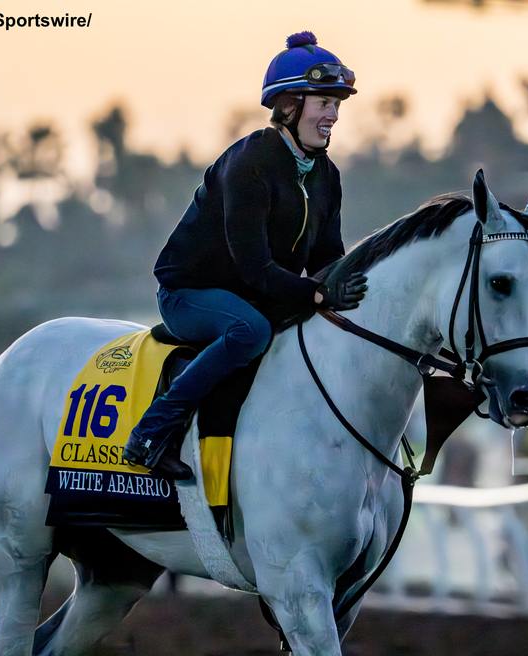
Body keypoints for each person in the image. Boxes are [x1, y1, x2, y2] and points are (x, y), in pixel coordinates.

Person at [123, 31, 368, 479]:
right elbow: (254, 268)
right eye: (324, 103)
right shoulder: (251, 162)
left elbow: (328, 261)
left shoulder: (327, 175)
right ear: (290, 105)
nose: (333, 114)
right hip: (188, 293)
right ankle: (151, 432)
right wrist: (316, 296)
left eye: (337, 105)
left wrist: (352, 294)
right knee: (250, 331)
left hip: (258, 293)